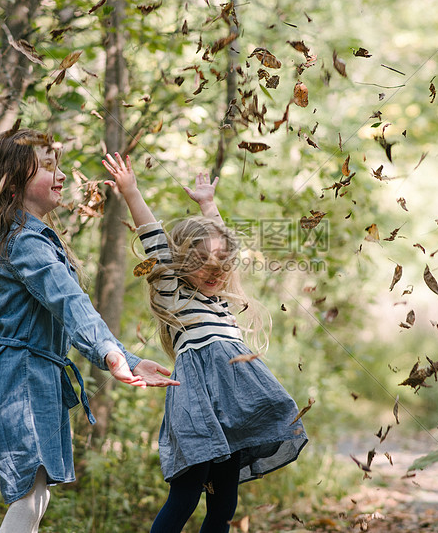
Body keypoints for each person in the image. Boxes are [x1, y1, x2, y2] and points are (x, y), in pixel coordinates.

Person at [0, 126, 178, 533]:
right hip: (22, 376)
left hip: (35, 374)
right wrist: (111, 355)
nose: (61, 176)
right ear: (11, 181)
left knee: (36, 495)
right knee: (30, 496)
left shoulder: (31, 238)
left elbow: (71, 308)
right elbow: (70, 304)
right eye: (48, 167)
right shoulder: (25, 243)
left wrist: (127, 357)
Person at [102, 152, 308, 533]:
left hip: (233, 408)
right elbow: (152, 238)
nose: (214, 272)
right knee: (185, 497)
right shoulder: (175, 295)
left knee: (224, 503)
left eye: (221, 267)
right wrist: (131, 191)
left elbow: (221, 245)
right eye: (202, 264)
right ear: (180, 261)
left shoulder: (221, 300)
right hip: (197, 404)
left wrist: (209, 204)